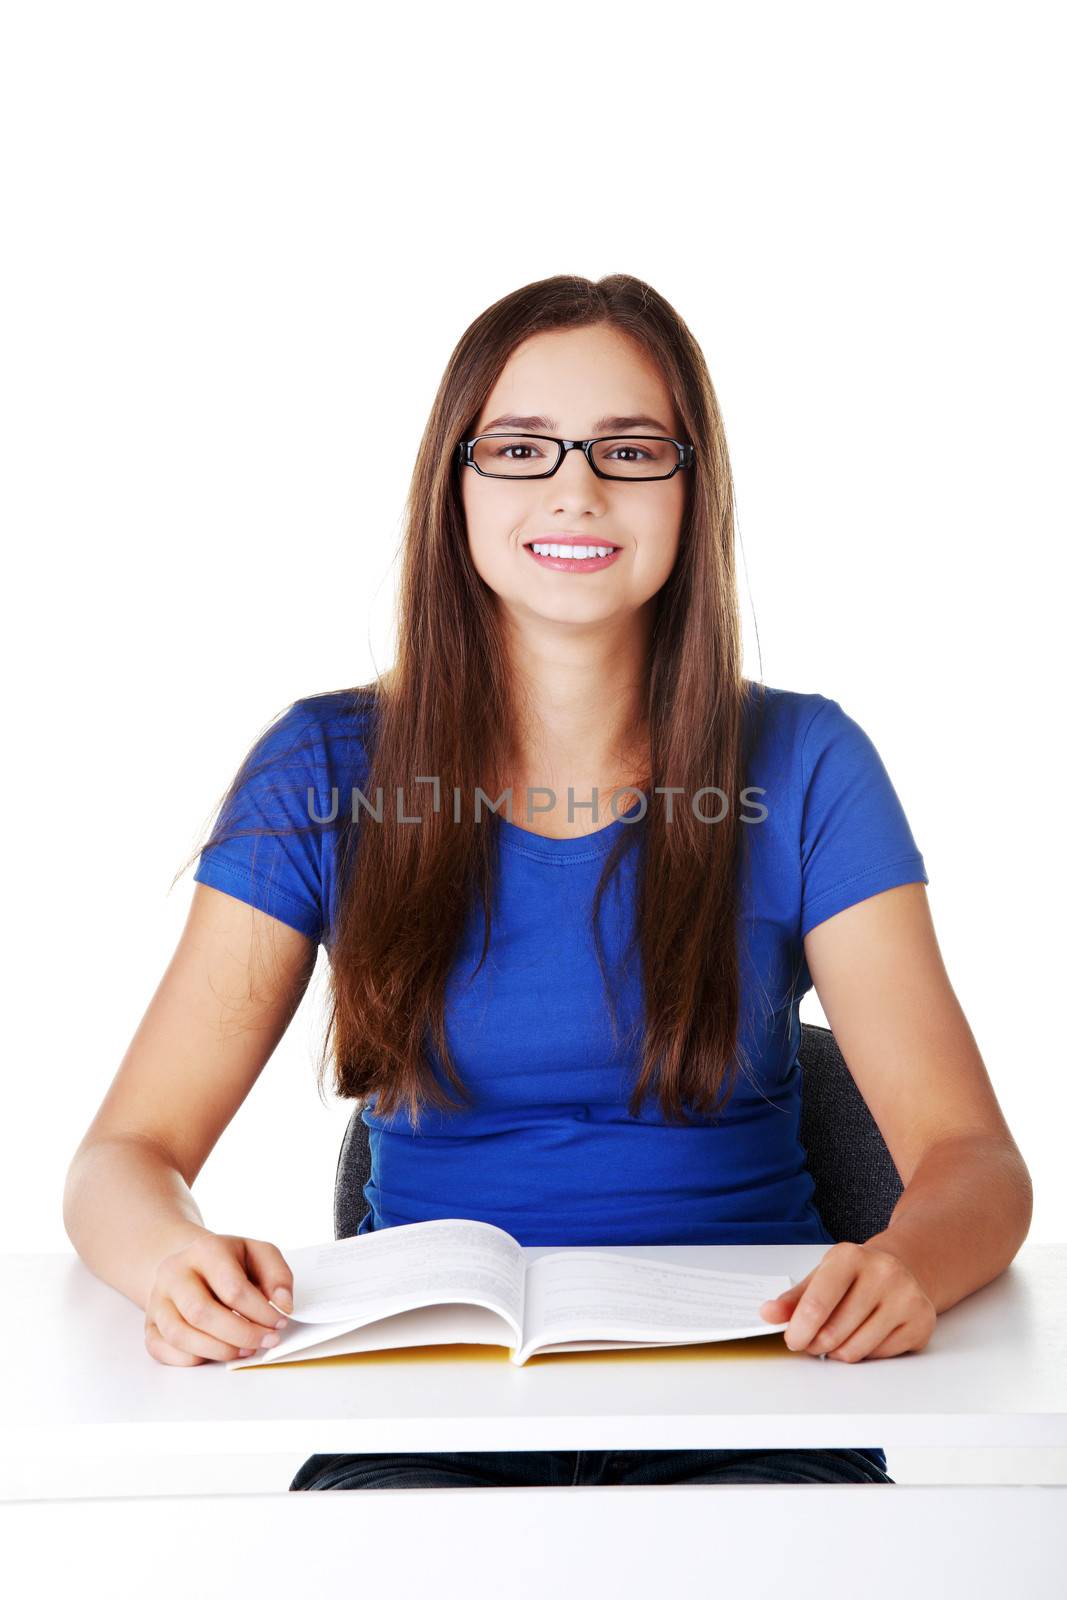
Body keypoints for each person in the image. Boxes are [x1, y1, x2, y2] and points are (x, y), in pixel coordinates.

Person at [63, 273, 1032, 1493]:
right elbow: (123, 1154)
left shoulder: (806, 763)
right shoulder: (321, 767)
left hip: (755, 1383)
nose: (575, 488)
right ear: (454, 483)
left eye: (628, 450)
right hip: (426, 1399)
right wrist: (169, 1259)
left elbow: (972, 1162)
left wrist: (906, 1263)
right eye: (520, 448)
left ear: (691, 488)